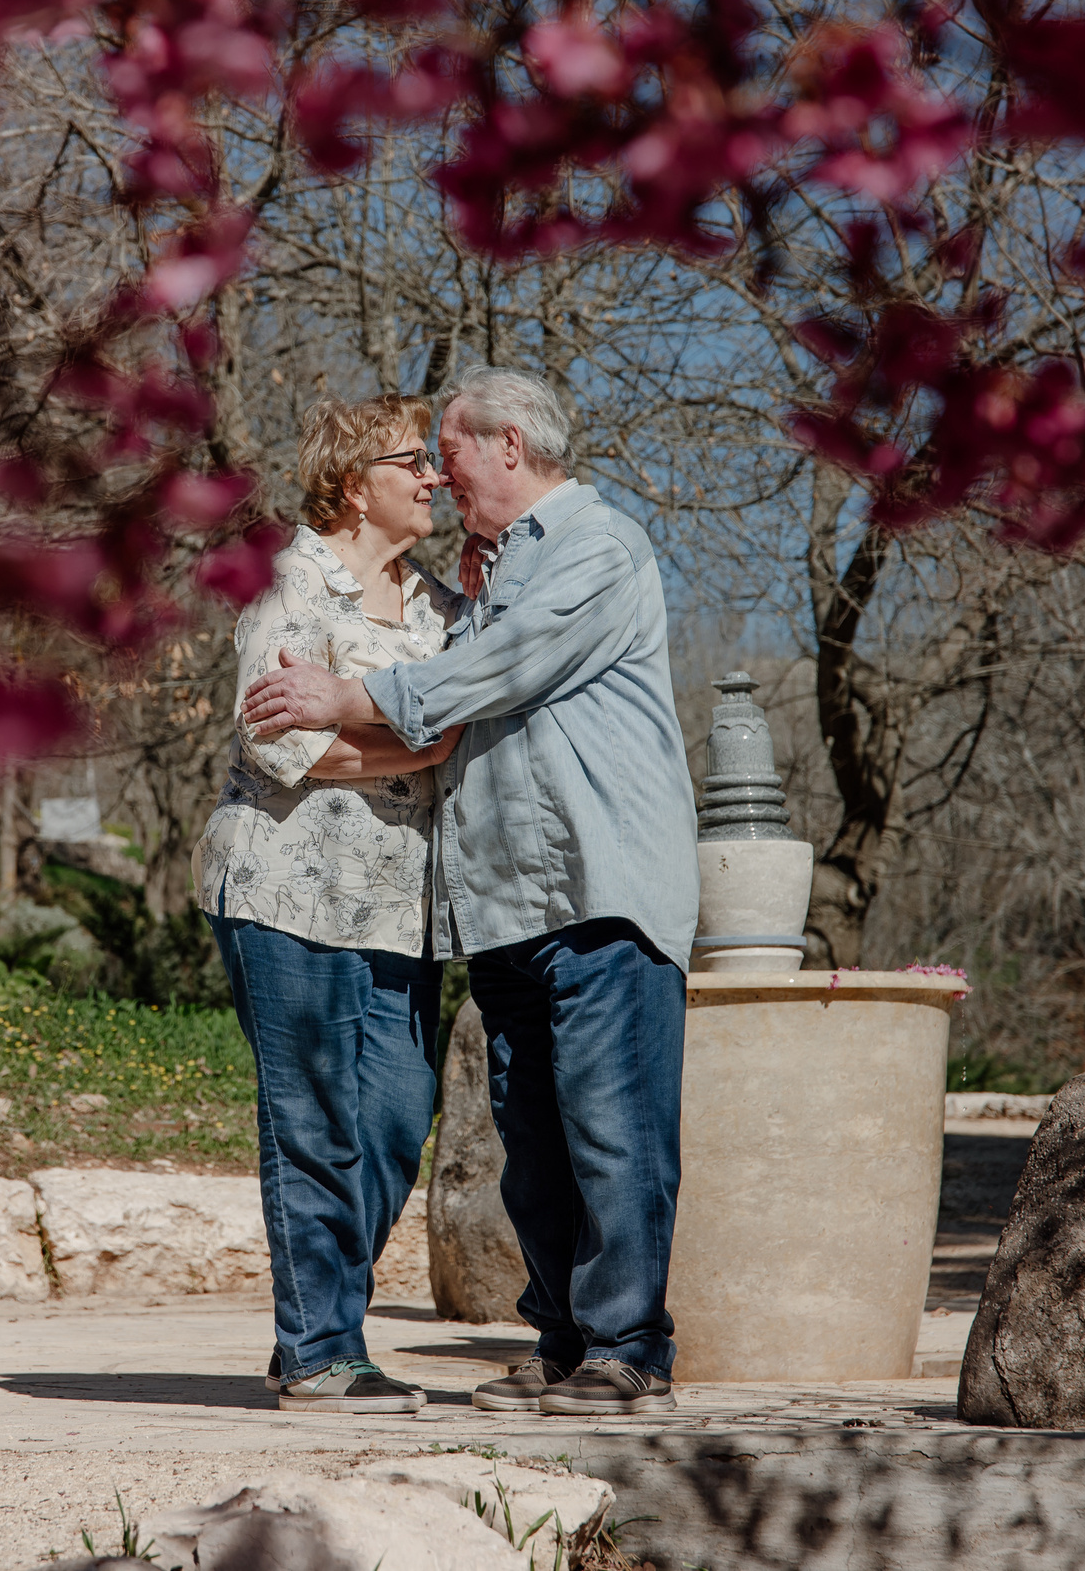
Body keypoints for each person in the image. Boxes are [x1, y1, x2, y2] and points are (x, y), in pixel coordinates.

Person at [242, 365, 698, 1417]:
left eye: (448, 455)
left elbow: (501, 673)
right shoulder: (490, 575)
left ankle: (629, 1349)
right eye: (424, 461)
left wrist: (348, 694)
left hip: (599, 894)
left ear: (507, 444)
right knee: (533, 1148)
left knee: (614, 1129)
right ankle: (564, 1340)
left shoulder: (595, 544)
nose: (442, 479)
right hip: (502, 910)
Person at [196, 392, 464, 1413]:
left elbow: (459, 729)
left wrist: (409, 741)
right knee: (312, 1121)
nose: (433, 476)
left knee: (398, 1116)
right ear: (355, 482)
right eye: (414, 461)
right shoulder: (289, 584)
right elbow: (281, 744)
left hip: (402, 909)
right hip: (282, 895)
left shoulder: (439, 605)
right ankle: (319, 1349)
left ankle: (319, 1329)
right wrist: (418, 745)